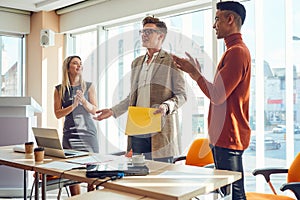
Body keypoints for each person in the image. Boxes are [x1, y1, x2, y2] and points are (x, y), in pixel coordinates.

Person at [172, 1, 251, 199]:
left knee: (234, 194)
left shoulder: (237, 52)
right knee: (228, 192)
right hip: (224, 136)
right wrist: (196, 73)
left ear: (230, 19)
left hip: (229, 136)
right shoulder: (233, 51)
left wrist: (194, 73)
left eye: (217, 19)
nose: (213, 25)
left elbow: (217, 95)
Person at [94, 16, 187, 163]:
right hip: (137, 129)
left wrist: (166, 106)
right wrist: (112, 111)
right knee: (137, 173)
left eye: (149, 31)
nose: (144, 35)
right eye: (142, 31)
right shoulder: (136, 63)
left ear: (161, 36)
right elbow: (132, 97)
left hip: (160, 131)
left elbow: (182, 95)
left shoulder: (172, 61)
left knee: (159, 178)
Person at [54, 55, 99, 195]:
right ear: (68, 68)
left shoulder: (89, 86)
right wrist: (73, 105)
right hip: (70, 135)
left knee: (92, 175)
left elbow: (95, 110)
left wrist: (84, 102)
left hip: (88, 135)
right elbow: (58, 114)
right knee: (72, 175)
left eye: (80, 63)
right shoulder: (59, 89)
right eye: (75, 63)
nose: (79, 66)